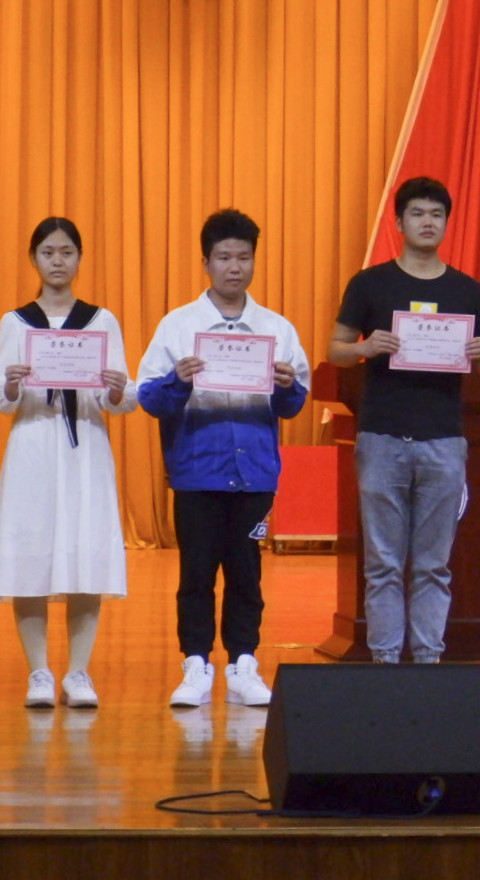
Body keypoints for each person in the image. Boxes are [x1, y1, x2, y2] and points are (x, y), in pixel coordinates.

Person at [138, 209, 310, 708]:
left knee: (246, 573)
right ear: (206, 263)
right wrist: (178, 381)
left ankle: (243, 663)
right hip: (197, 471)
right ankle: (195, 663)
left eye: (244, 257)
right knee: (196, 573)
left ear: (254, 261)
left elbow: (295, 403)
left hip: (254, 473)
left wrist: (286, 387)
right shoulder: (178, 326)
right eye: (224, 257)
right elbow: (148, 398)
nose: (235, 267)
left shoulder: (276, 328)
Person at [327, 176, 480, 664]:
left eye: (436, 214)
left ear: (446, 223)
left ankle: (427, 660)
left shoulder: (466, 290)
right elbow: (335, 349)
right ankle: (385, 661)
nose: (428, 222)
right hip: (382, 437)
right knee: (382, 562)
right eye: (418, 213)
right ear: (399, 222)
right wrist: (365, 348)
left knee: (433, 564)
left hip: (443, 439)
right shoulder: (369, 283)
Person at [0, 217, 136, 708]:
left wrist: (117, 388)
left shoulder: (100, 320)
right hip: (32, 444)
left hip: (84, 445)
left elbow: (122, 398)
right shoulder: (16, 322)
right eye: (48, 252)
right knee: (30, 551)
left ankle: (78, 673)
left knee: (85, 552)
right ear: (34, 258)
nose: (57, 261)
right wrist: (11, 383)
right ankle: (39, 673)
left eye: (67, 252)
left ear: (80, 258)